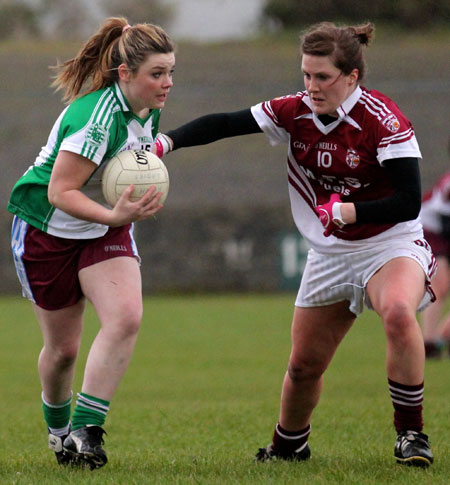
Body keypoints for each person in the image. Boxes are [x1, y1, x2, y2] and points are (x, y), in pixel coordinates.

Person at [154, 22, 436, 467]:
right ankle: (289, 444)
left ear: (352, 77)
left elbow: (406, 202)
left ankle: (411, 435)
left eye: (322, 77)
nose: (311, 86)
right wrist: (167, 141)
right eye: (306, 74)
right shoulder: (294, 111)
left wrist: (349, 211)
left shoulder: (384, 121)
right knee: (304, 366)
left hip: (389, 244)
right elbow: (225, 123)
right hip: (330, 251)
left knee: (399, 312)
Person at [8, 17, 175, 469]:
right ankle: (59, 433)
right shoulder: (96, 118)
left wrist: (138, 191)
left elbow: (135, 154)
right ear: (125, 74)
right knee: (63, 351)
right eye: (157, 74)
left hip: (103, 228)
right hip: (47, 230)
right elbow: (59, 192)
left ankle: (86, 430)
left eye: (170, 72)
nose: (167, 83)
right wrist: (115, 213)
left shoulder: (146, 105)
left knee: (125, 318)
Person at [419, 170, 450, 358]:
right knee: (439, 285)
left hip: (443, 231)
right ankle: (429, 343)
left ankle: (442, 337)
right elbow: (444, 220)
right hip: (430, 230)